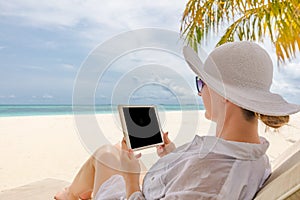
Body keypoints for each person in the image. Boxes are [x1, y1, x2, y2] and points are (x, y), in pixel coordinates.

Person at [55, 41, 300, 200]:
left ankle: (67, 196)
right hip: (154, 188)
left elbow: (204, 181)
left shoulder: (215, 171)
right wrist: (172, 155)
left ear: (224, 95)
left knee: (106, 155)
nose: (199, 92)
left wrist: (131, 180)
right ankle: (70, 194)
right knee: (115, 151)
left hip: (135, 194)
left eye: (201, 83)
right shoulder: (254, 155)